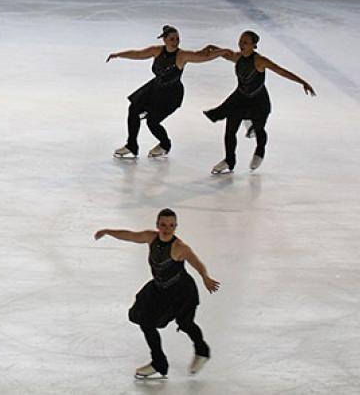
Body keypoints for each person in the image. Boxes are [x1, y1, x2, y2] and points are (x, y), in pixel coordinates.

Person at [94, 209, 219, 380]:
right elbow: (129, 235)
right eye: (163, 225)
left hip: (182, 293)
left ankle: (202, 351)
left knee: (186, 324)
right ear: (157, 225)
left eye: (171, 225)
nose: (167, 229)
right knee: (145, 322)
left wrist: (205, 277)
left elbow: (196, 262)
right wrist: (108, 231)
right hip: (159, 290)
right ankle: (159, 363)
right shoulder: (150, 237)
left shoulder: (180, 247)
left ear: (176, 226)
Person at [203, 31, 315, 174]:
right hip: (239, 98)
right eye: (240, 41)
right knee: (230, 131)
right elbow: (224, 54)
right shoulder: (237, 57)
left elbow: (280, 71)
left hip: (258, 100)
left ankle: (259, 151)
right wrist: (212, 47)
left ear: (254, 46)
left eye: (245, 42)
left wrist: (302, 82)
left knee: (259, 128)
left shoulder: (260, 61)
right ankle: (229, 160)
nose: (241, 44)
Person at [108, 26, 223, 159]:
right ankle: (131, 145)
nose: (176, 41)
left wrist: (222, 52)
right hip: (154, 89)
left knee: (152, 122)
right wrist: (118, 55)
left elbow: (202, 57)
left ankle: (165, 144)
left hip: (171, 94)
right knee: (133, 109)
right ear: (164, 40)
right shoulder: (157, 51)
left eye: (177, 39)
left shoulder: (182, 55)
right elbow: (138, 54)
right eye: (172, 39)